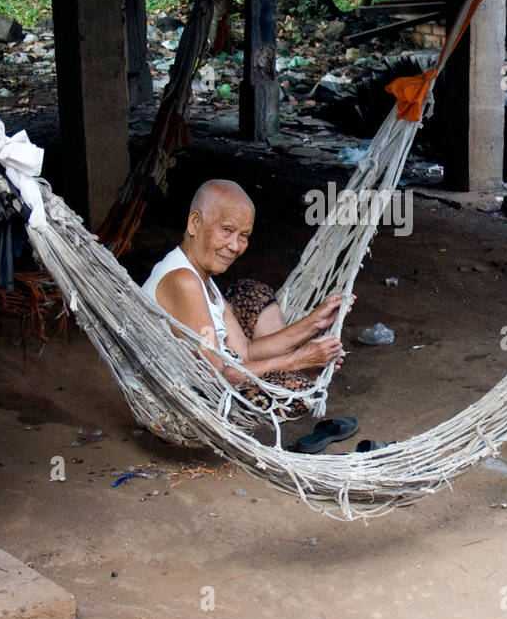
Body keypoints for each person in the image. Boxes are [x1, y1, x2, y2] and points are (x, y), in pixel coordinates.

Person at [141, 180, 355, 436]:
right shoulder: (184, 281)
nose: (235, 246)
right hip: (180, 407)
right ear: (195, 223)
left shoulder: (201, 277)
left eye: (243, 236)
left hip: (212, 377)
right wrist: (299, 360)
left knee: (251, 292)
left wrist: (314, 322)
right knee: (298, 392)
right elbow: (218, 376)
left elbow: (246, 352)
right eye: (227, 230)